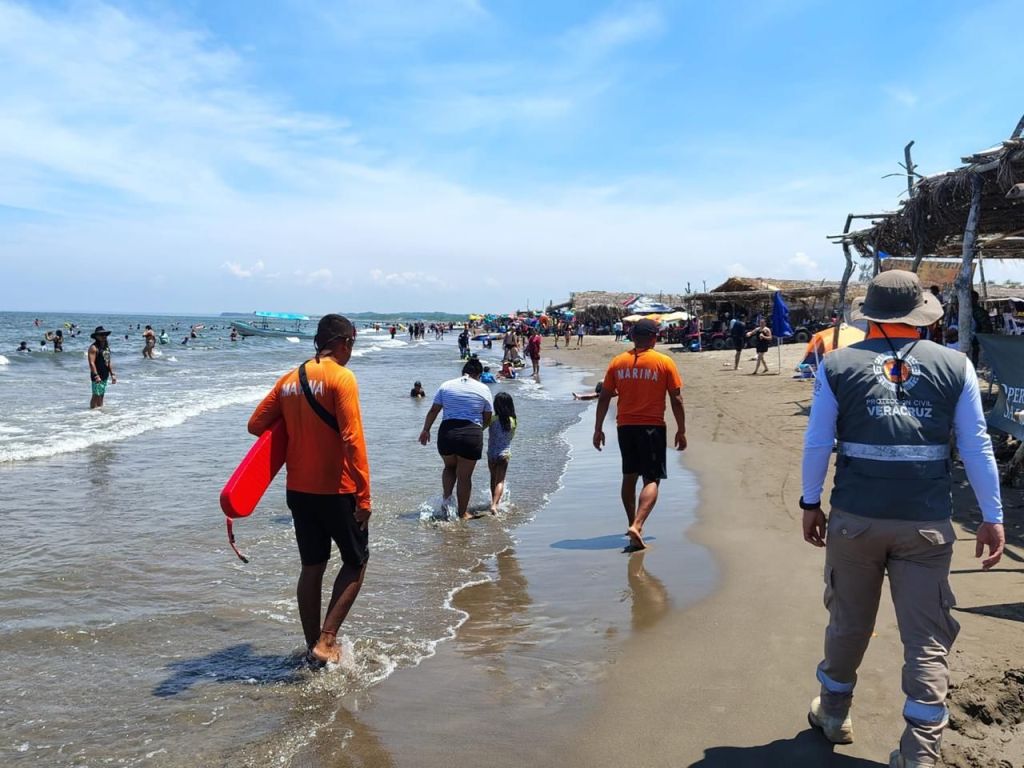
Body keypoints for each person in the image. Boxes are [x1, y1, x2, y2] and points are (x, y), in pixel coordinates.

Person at [800, 270, 1004, 768]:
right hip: (926, 525)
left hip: (855, 520)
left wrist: (810, 502)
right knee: (927, 639)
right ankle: (919, 753)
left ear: (870, 314)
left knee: (848, 622)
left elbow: (818, 441)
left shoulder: (836, 364)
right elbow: (976, 445)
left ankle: (834, 714)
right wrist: (992, 515)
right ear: (920, 316)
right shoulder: (955, 364)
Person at [247, 314, 371, 665]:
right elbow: (352, 439)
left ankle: (311, 646)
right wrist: (364, 496)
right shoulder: (342, 378)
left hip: (299, 490)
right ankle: (327, 641)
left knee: (312, 565)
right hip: (338, 489)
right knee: (356, 562)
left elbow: (256, 424)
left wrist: (298, 429)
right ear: (344, 342)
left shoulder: (289, 379)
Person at [593, 319, 686, 550]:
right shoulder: (664, 362)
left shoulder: (618, 362)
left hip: (625, 426)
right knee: (651, 479)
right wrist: (681, 430)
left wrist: (598, 428)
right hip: (652, 427)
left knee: (629, 475)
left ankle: (632, 523)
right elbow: (676, 399)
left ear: (633, 337)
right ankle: (637, 524)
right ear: (654, 338)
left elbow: (604, 397)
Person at [418, 358, 493, 519]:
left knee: (449, 467)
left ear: (463, 372)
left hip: (447, 433)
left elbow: (434, 410)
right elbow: (487, 416)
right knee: (464, 477)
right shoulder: (483, 388)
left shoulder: (446, 385)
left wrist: (426, 430)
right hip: (471, 433)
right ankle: (462, 513)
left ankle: (446, 505)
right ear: (478, 374)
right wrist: (479, 430)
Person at [487, 392, 517, 515]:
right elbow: (511, 437)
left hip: (491, 453)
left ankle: (492, 501)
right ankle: (495, 505)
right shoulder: (512, 420)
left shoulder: (492, 419)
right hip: (504, 453)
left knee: (493, 478)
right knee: (500, 481)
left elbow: (482, 427)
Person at [87, 326, 116, 409]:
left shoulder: (106, 347)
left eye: (105, 334)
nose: (104, 336)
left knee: (102, 394)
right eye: (101, 335)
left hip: (105, 374)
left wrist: (112, 374)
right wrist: (96, 375)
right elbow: (91, 363)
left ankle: (100, 412)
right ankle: (92, 412)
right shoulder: (93, 347)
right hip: (97, 374)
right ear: (96, 336)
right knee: (96, 395)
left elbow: (108, 361)